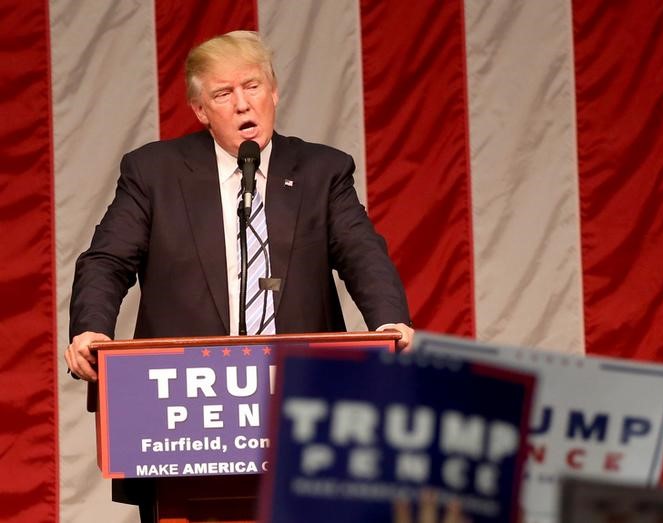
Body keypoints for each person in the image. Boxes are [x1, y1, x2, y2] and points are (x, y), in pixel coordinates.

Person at [65, 30, 413, 518]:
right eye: (223, 94)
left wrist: (389, 322)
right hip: (185, 418)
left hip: (302, 407)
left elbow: (362, 253)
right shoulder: (155, 172)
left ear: (273, 93)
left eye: (252, 86)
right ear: (202, 111)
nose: (242, 104)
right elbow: (107, 260)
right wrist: (91, 328)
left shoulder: (321, 170)